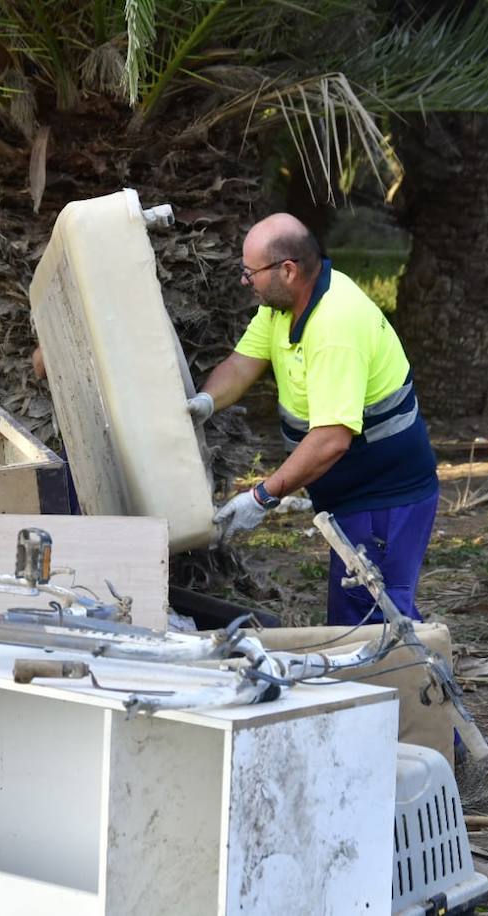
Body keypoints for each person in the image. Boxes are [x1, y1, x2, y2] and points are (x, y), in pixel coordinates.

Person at [190, 213, 439, 627]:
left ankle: (417, 686)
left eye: (249, 272)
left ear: (287, 270)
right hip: (349, 497)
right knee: (358, 615)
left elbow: (331, 440)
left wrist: (262, 497)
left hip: (384, 498)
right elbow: (240, 365)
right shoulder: (282, 309)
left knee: (376, 620)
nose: (243, 281)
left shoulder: (335, 326)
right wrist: (204, 401)